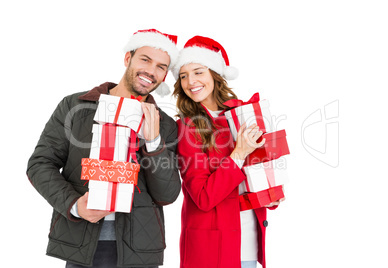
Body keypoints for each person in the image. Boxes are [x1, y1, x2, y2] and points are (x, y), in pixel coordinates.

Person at [26, 29, 181, 268]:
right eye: (145, 59)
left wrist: (153, 142)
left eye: (161, 67)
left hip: (138, 250)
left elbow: (167, 194)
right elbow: (40, 164)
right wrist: (74, 205)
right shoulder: (74, 106)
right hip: (81, 243)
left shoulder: (165, 125)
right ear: (128, 59)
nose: (151, 71)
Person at [172, 36, 280, 268]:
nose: (190, 81)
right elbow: (202, 197)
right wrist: (238, 154)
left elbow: (259, 172)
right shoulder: (188, 127)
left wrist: (271, 194)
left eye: (198, 72)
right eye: (183, 76)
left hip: (248, 244)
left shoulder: (244, 114)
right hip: (210, 251)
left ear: (214, 73)